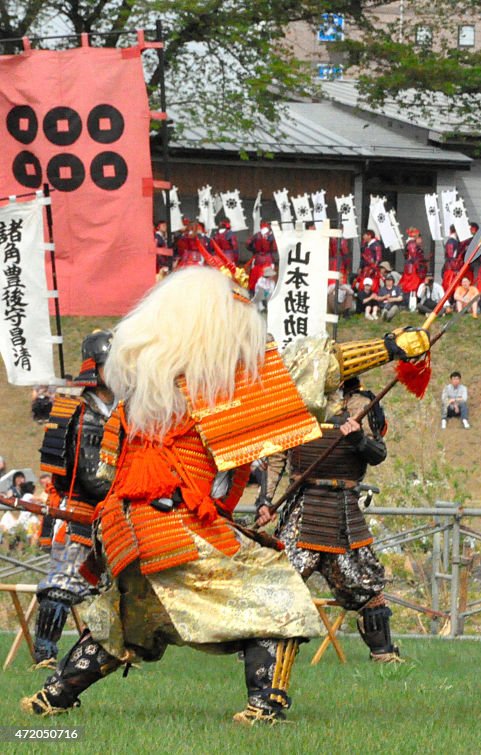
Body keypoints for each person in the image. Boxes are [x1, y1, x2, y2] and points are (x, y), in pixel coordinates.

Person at [21, 268, 325, 724]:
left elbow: (107, 470)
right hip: (171, 528)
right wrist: (387, 349)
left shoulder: (143, 392)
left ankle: (52, 697)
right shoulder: (202, 385)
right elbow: (303, 376)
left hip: (127, 530)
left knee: (132, 622)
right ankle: (265, 706)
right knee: (278, 596)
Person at [258, 372, 408, 664]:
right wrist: (266, 501)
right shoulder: (296, 402)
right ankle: (261, 651)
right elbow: (276, 457)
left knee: (366, 582)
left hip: (343, 508)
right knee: (279, 578)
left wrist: (358, 439)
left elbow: (378, 453)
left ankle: (383, 653)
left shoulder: (361, 402)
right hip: (303, 506)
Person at [30, 331, 116, 670]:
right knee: (63, 583)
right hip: (79, 510)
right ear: (96, 367)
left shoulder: (123, 409)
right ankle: (46, 653)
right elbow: (91, 475)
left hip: (112, 511)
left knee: (115, 586)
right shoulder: (80, 413)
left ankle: (110, 651)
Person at [245, 220, 279, 293]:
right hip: (268, 259)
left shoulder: (257, 235)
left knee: (255, 277)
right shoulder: (271, 236)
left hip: (257, 259)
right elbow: (274, 248)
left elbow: (247, 243)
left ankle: (253, 293)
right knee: (268, 279)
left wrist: (254, 250)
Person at [399, 228, 427, 310]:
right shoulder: (412, 244)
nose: (421, 241)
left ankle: (411, 304)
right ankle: (410, 304)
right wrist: (420, 267)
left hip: (412, 268)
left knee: (411, 285)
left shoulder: (411, 244)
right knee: (412, 285)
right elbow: (414, 257)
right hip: (413, 269)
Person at [442, 225, 463, 293]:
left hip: (452, 267)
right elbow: (450, 256)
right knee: (450, 285)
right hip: (451, 268)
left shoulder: (452, 241)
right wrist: (455, 268)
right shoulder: (452, 241)